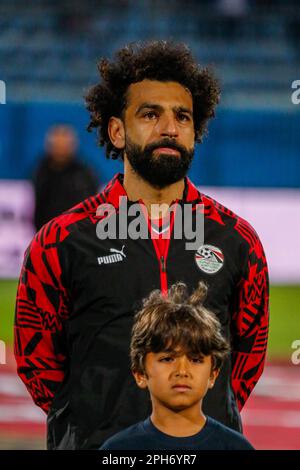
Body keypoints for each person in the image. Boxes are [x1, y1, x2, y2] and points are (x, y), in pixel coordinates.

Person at [14, 41, 269, 449]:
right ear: (117, 130)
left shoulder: (237, 240)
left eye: (182, 117)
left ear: (194, 131)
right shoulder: (61, 241)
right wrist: (88, 422)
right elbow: (37, 361)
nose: (169, 128)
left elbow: (248, 358)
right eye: (150, 114)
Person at [100, 281, 254, 450]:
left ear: (213, 374)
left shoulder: (236, 448)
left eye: (195, 360)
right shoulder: (117, 450)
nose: (182, 371)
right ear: (140, 373)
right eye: (167, 359)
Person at [33, 124, 99, 230]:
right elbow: (37, 208)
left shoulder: (83, 174)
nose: (61, 150)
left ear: (72, 146)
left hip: (76, 234)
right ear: (49, 146)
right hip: (46, 234)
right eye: (57, 146)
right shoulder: (41, 172)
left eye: (64, 146)